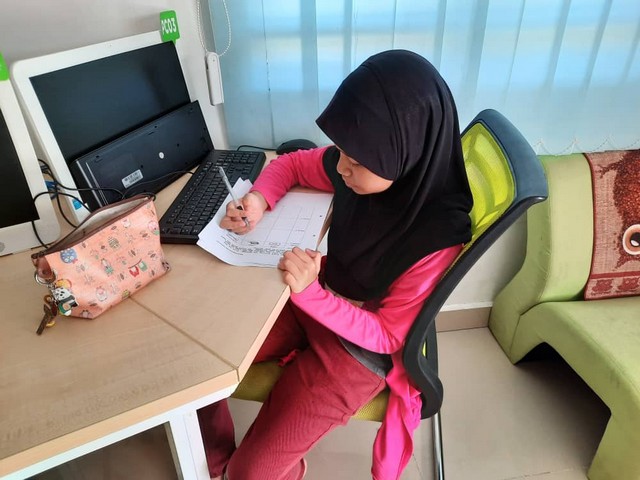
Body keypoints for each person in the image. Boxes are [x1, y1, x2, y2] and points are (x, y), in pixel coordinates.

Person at [197, 49, 473, 480]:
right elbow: (293, 164)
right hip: (316, 298)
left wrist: (312, 296)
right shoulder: (358, 168)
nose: (342, 167)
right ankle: (213, 464)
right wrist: (258, 200)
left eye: (357, 162)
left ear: (405, 155)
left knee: (250, 473)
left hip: (356, 354)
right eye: (342, 151)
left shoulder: (438, 236)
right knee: (204, 361)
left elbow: (386, 335)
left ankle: (258, 467)